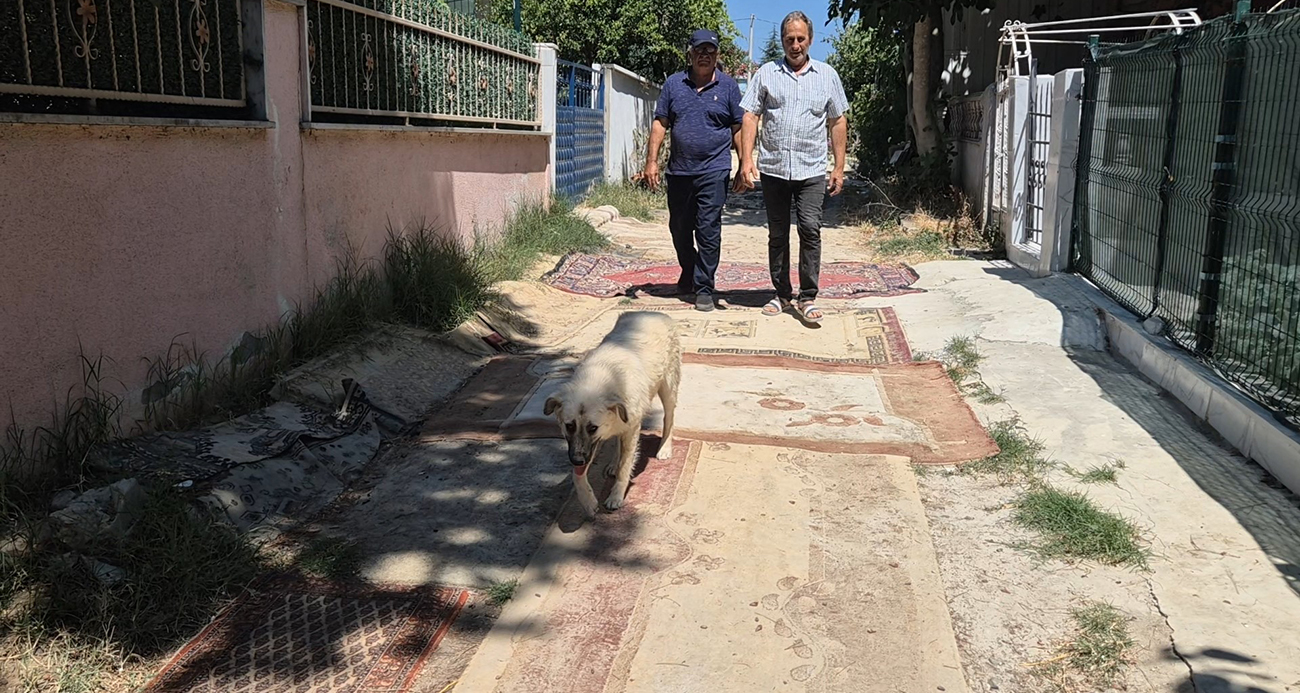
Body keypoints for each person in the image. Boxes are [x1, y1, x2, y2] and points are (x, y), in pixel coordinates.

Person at [735, 11, 848, 325]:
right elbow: (750, 116)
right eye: (789, 40)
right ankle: (782, 293)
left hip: (811, 169)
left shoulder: (827, 76)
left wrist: (839, 167)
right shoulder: (767, 74)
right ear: (783, 41)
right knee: (778, 233)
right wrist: (746, 159)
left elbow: (838, 120)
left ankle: (808, 296)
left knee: (810, 229)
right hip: (774, 169)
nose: (795, 45)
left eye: (800, 39)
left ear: (809, 40)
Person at [641, 29, 745, 312]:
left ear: (717, 55)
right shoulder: (674, 85)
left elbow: (738, 127)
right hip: (680, 171)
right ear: (690, 53)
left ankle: (704, 287)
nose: (705, 56)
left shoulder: (728, 87)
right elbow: (661, 123)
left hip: (715, 169)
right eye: (700, 50)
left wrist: (744, 163)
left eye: (710, 51)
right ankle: (689, 269)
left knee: (708, 228)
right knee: (679, 227)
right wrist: (652, 161)